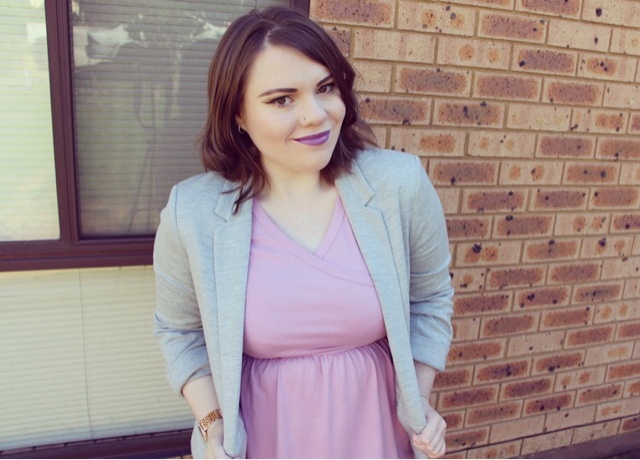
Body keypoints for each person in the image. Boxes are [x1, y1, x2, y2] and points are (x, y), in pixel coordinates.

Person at [153, 6, 454, 459]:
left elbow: (430, 298)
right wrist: (213, 425)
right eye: (282, 100)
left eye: (325, 88)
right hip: (262, 444)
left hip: (375, 438)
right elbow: (180, 331)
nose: (315, 115)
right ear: (237, 114)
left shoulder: (399, 185)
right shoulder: (192, 214)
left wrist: (419, 400)